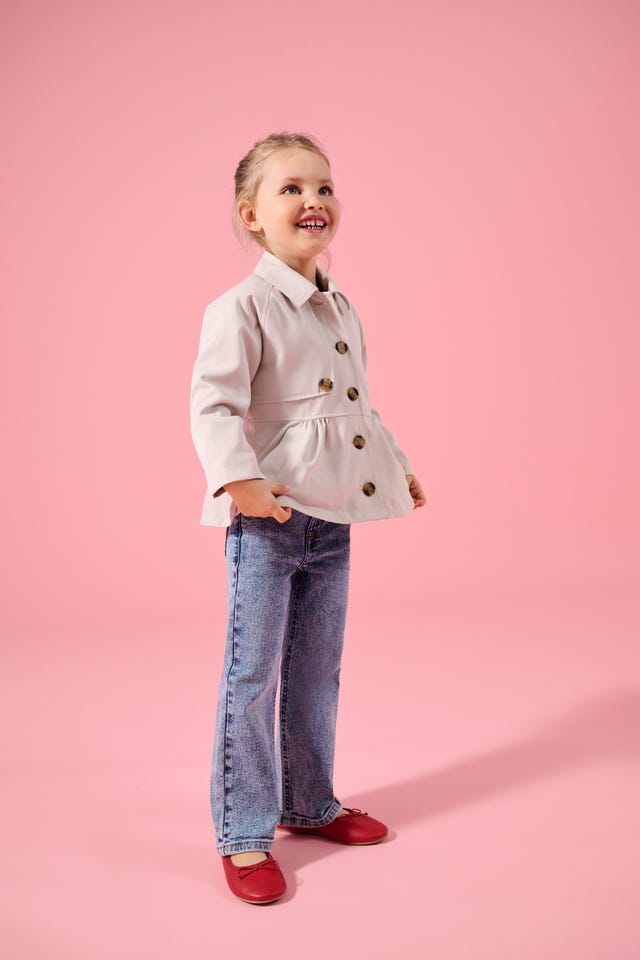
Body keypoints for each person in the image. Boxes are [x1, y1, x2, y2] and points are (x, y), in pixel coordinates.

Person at [189, 131, 427, 904]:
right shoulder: (242, 308)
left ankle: (308, 801)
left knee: (317, 670)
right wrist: (240, 482)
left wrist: (394, 465)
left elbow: (358, 406)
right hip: (268, 522)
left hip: (332, 521)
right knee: (253, 677)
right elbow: (213, 405)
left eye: (323, 187)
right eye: (290, 188)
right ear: (251, 215)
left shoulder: (339, 306)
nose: (313, 200)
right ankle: (244, 830)